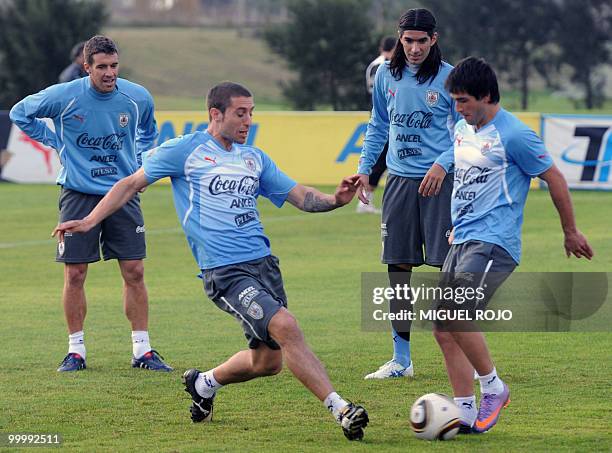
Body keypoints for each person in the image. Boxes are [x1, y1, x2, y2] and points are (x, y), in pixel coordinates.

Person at [52, 82, 370, 441]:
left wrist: (337, 199)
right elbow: (130, 183)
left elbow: (302, 197)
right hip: (226, 271)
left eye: (251, 113)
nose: (248, 120)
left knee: (269, 362)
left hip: (265, 266)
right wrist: (90, 221)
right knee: (286, 326)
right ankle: (341, 409)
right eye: (240, 113)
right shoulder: (184, 151)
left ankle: (204, 384)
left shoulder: (254, 158)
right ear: (215, 114)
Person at [437, 56, 593, 433]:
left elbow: (555, 178)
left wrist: (570, 231)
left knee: (457, 314)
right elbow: (460, 155)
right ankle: (464, 412)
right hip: (461, 238)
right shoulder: (463, 128)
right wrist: (441, 164)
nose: (458, 108)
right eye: (455, 101)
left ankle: (494, 387)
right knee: (444, 327)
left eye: (463, 101)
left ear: (487, 96)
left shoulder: (516, 135)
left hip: (494, 241)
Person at [10, 35, 171, 373]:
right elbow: (20, 112)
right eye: (102, 67)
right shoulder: (65, 95)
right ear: (86, 68)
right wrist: (54, 140)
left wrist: (140, 169)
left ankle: (142, 351)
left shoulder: (137, 96)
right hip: (78, 192)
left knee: (135, 271)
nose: (109, 73)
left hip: (123, 192)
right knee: (76, 273)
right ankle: (76, 351)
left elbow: (148, 132)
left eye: (114, 66)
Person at [357, 8, 461, 379]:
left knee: (449, 269)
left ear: (434, 39)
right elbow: (378, 125)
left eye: (421, 41)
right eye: (408, 40)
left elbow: (465, 132)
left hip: (439, 183)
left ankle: (466, 354)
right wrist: (365, 170)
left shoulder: (450, 79)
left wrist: (443, 163)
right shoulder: (387, 74)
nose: (414, 48)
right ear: (400, 39)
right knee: (398, 269)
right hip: (399, 182)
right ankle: (401, 359)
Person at [357, 36, 396, 214]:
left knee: (383, 159)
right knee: (381, 159)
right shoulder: (382, 66)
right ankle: (365, 200)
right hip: (384, 118)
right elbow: (379, 94)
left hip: (384, 117)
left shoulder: (375, 65)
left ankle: (367, 200)